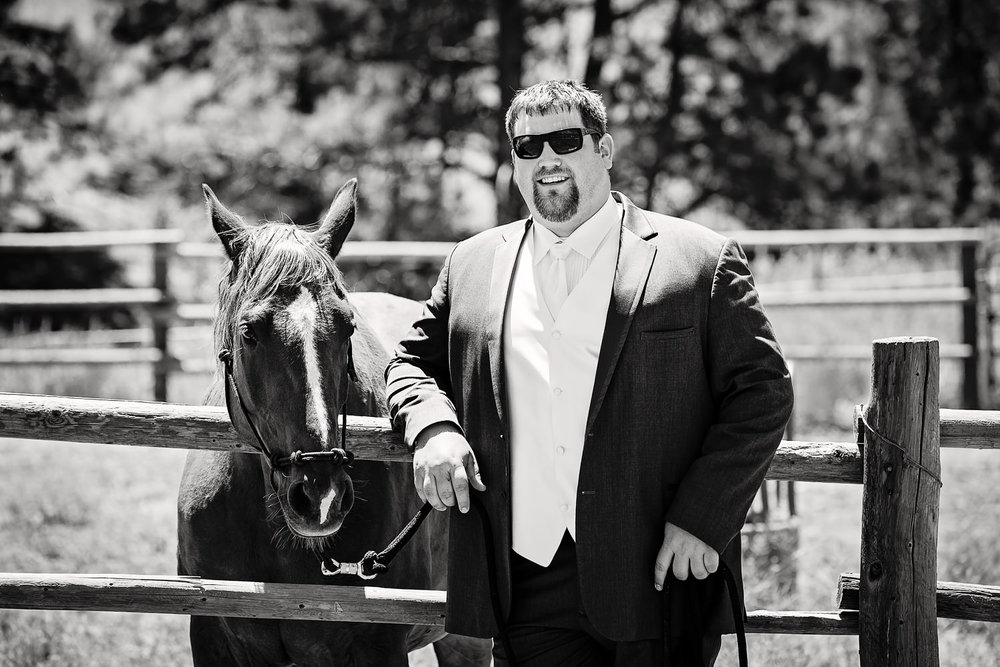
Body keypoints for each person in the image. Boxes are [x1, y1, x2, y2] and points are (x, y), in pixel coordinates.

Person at [386, 79, 793, 666]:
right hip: (526, 581)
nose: (546, 159)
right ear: (514, 165)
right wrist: (433, 429)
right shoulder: (472, 263)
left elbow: (764, 391)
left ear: (604, 150)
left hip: (660, 572)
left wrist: (704, 520)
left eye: (565, 140)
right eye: (528, 147)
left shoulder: (699, 260)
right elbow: (411, 366)